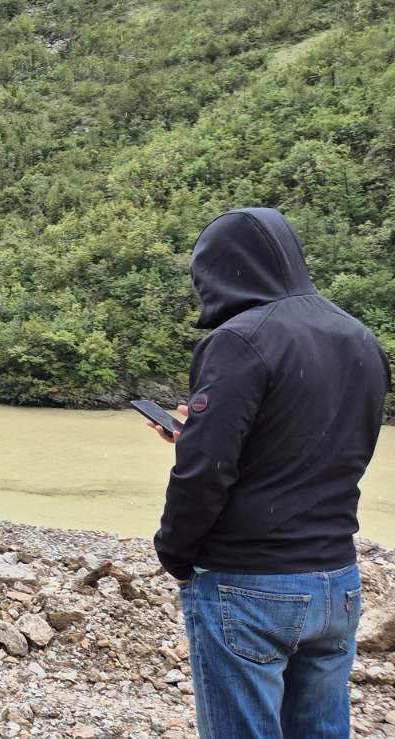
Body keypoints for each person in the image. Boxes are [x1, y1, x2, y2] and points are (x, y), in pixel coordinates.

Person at [150, 208, 391, 738]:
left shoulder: (240, 340)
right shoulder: (360, 338)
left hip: (250, 581)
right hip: (338, 580)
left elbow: (205, 468)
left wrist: (175, 553)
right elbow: (328, 448)